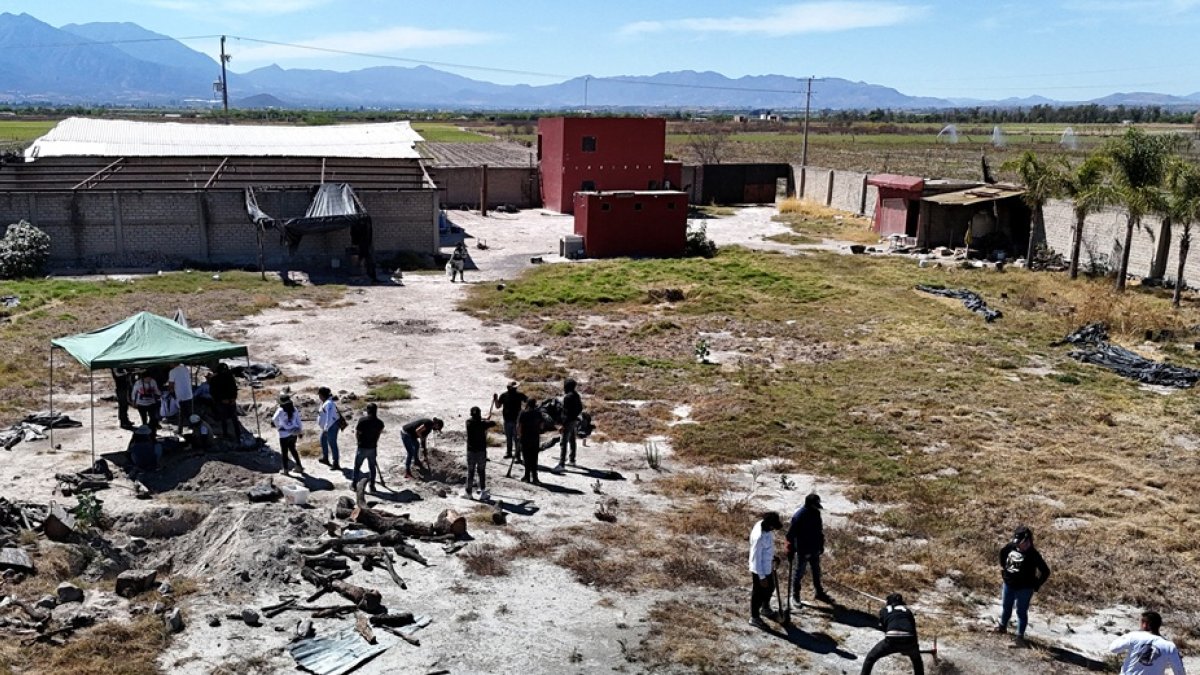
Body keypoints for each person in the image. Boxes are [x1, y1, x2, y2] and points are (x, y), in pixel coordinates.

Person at [995, 525, 1051, 644]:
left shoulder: (1033, 555)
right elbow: (1002, 553)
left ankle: (1020, 637)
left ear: (1028, 541)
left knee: (1021, 612)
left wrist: (1036, 585)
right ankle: (1002, 627)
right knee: (1006, 607)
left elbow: (1045, 571)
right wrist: (1005, 570)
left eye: (1021, 543)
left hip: (1024, 589)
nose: (1019, 545)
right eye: (1017, 543)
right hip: (1009, 585)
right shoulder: (1011, 547)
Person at [787, 493, 834, 605]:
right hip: (803, 550)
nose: (817, 507)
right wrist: (791, 548)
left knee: (816, 571)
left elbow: (819, 531)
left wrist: (821, 545)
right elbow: (790, 535)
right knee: (799, 573)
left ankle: (819, 592)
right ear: (809, 504)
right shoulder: (799, 516)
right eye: (815, 504)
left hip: (815, 549)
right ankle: (795, 596)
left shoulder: (816, 514)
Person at [861, 593, 924, 675]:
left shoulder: (884, 610)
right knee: (917, 661)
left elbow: (884, 628)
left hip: (891, 639)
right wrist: (914, 648)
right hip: (909, 639)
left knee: (871, 658)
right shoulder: (908, 611)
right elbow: (913, 630)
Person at [1109, 611, 1186, 675]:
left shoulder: (1133, 636)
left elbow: (1113, 648)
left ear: (1145, 624)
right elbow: (1179, 671)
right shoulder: (1169, 646)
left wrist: (1127, 636)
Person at [748, 511, 782, 629]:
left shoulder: (765, 527)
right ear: (769, 525)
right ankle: (754, 617)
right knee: (758, 594)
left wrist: (773, 557)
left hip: (767, 566)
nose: (773, 529)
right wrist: (761, 577)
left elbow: (766, 550)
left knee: (770, 587)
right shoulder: (759, 537)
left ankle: (765, 608)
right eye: (773, 527)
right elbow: (756, 558)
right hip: (759, 569)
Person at [464, 406, 497, 500]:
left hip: (471, 451)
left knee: (470, 472)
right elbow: (493, 423)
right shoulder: (483, 424)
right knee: (481, 472)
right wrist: (486, 419)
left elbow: (475, 420)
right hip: (481, 451)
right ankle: (482, 492)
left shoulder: (468, 422)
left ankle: (469, 493)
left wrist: (484, 420)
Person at [354, 403, 385, 492]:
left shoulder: (362, 420)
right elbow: (379, 434)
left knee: (357, 467)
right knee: (372, 467)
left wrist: (358, 442)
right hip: (372, 447)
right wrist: (375, 442)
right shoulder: (380, 423)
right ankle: (372, 486)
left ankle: (354, 484)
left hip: (362, 446)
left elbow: (357, 433)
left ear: (368, 410)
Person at [554, 378, 583, 473]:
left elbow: (565, 413)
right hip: (574, 421)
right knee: (572, 441)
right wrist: (574, 416)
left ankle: (561, 464)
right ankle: (572, 460)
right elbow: (580, 408)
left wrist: (562, 424)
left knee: (563, 442)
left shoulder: (567, 397)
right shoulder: (576, 395)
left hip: (567, 422)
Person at [492, 381, 527, 461]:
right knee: (508, 438)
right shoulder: (504, 395)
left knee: (516, 438)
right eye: (514, 387)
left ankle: (518, 456)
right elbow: (498, 406)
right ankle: (509, 453)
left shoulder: (519, 395)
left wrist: (524, 412)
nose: (516, 388)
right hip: (507, 420)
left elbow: (528, 401)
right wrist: (496, 399)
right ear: (509, 387)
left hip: (517, 421)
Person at [272, 394, 304, 474]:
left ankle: (285, 470)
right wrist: (300, 431)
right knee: (293, 449)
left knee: (284, 452)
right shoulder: (294, 409)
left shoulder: (280, 410)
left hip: (284, 434)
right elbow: (299, 421)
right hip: (294, 432)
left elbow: (274, 419)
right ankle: (299, 467)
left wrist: (279, 426)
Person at [208, 363, 239, 439]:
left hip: (231, 401)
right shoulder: (214, 379)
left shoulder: (230, 377)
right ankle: (225, 435)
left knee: (234, 419)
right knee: (223, 419)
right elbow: (213, 392)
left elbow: (234, 388)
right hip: (221, 402)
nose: (224, 372)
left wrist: (234, 398)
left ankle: (238, 435)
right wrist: (220, 400)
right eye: (222, 370)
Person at [317, 386, 342, 470]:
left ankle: (336, 463)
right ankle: (325, 458)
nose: (319, 396)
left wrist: (326, 428)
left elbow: (329, 417)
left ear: (322, 395)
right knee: (323, 440)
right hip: (327, 427)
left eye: (319, 394)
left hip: (331, 426)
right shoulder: (325, 402)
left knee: (332, 444)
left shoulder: (329, 404)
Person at [517, 398, 542, 484]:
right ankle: (535, 477)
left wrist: (519, 436)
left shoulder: (523, 413)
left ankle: (527, 476)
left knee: (526, 458)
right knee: (534, 458)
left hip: (525, 438)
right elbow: (542, 425)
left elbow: (519, 426)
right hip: (535, 438)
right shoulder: (538, 413)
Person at [167, 362, 194, 434]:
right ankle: (194, 428)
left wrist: (171, 393)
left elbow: (171, 385)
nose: (169, 364)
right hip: (189, 394)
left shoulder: (172, 372)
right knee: (190, 413)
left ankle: (180, 430)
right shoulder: (185, 369)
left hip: (180, 395)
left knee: (181, 414)